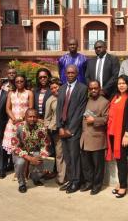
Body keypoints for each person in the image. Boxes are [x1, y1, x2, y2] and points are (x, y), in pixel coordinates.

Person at [56, 64, 88, 193]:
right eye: (68, 73)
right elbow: (59, 109)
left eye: (72, 73)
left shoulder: (82, 88)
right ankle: (70, 179)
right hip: (63, 128)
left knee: (75, 156)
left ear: (77, 73)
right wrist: (59, 127)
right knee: (67, 157)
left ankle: (76, 182)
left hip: (73, 130)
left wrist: (71, 130)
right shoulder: (62, 88)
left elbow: (80, 110)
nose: (70, 75)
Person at [106, 75, 128, 198]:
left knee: (122, 161)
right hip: (113, 133)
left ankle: (123, 186)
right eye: (119, 83)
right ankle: (120, 182)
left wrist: (127, 134)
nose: (121, 85)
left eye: (124, 83)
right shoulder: (115, 97)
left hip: (122, 134)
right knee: (118, 160)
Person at [79, 80, 109, 195]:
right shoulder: (87, 100)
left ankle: (97, 185)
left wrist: (95, 120)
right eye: (91, 88)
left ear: (100, 88)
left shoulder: (105, 102)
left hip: (97, 138)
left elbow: (106, 119)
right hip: (85, 137)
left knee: (98, 165)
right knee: (86, 164)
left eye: (95, 88)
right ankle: (88, 182)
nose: (93, 90)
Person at [11, 108, 50, 193]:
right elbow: (14, 147)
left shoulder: (42, 127)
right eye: (30, 116)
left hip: (35, 151)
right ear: (25, 117)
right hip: (21, 152)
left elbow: (45, 145)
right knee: (20, 163)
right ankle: (22, 184)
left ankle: (35, 177)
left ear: (38, 117)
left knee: (47, 164)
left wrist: (43, 157)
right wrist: (29, 158)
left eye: (34, 117)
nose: (32, 119)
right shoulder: (18, 127)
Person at [2, 75, 34, 155]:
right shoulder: (11, 93)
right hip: (12, 123)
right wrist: (14, 119)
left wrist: (20, 119)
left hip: (25, 122)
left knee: (24, 146)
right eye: (17, 81)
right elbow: (8, 108)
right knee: (12, 146)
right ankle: (13, 165)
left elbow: (30, 108)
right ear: (14, 83)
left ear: (25, 82)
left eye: (21, 81)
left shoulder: (29, 93)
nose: (19, 83)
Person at [44, 78, 66, 185]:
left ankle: (65, 175)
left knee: (64, 153)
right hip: (54, 130)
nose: (54, 90)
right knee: (57, 153)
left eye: (56, 87)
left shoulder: (67, 97)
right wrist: (46, 130)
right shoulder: (50, 100)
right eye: (51, 88)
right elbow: (47, 117)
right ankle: (58, 175)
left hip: (68, 129)